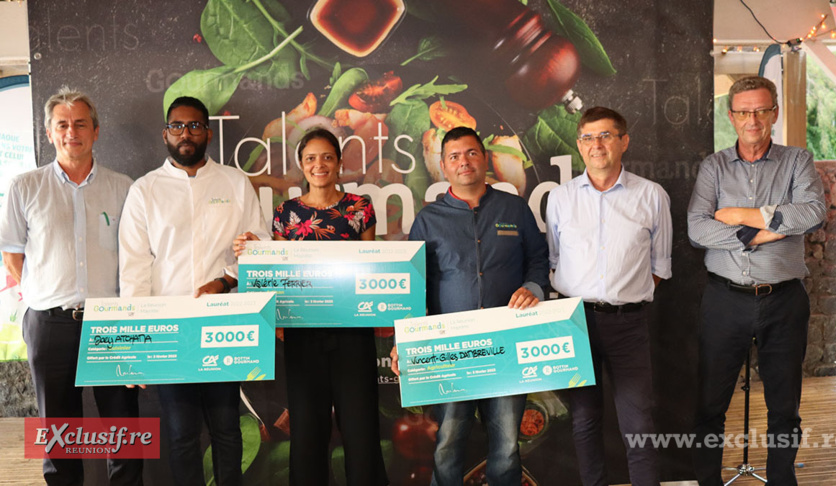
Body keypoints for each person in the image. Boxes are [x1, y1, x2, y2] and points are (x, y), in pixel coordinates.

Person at [118, 96, 269, 486]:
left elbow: (258, 248)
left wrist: (225, 280)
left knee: (226, 429)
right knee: (182, 434)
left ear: (209, 132)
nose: (186, 134)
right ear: (165, 134)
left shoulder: (234, 183)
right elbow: (134, 268)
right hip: (169, 330)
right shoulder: (145, 190)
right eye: (178, 126)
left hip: (223, 325)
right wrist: (138, 342)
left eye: (195, 126)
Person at [390, 126, 549, 485]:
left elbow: (539, 259)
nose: (464, 161)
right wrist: (403, 340)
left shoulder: (514, 208)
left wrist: (534, 286)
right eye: (455, 156)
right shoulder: (429, 221)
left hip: (507, 348)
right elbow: (413, 288)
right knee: (447, 443)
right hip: (450, 351)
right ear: (444, 167)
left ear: (484, 158)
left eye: (472, 153)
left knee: (507, 445)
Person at [687, 76, 826, 486]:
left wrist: (740, 216)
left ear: (774, 114)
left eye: (761, 110)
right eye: (744, 111)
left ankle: (782, 480)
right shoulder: (713, 167)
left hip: (784, 300)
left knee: (784, 405)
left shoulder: (797, 160)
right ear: (731, 116)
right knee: (711, 403)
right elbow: (697, 229)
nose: (753, 119)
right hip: (723, 300)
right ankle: (708, 481)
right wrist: (766, 230)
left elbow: (812, 212)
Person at [0, 87, 142, 485]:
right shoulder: (25, 187)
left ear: (96, 131)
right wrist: (41, 292)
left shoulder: (124, 187)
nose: (71, 132)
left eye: (80, 123)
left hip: (111, 323)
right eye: (62, 124)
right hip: (50, 322)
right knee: (58, 432)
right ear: (49, 133)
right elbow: (12, 254)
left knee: (123, 428)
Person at [233, 128, 388, 486]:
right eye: (311, 159)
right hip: (303, 336)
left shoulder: (359, 207)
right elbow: (279, 269)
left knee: (361, 428)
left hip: (353, 333)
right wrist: (256, 249)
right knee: (307, 431)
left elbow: (373, 264)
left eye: (327, 157)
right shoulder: (286, 213)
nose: (319, 165)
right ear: (301, 166)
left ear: (338, 163)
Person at [545, 106, 671, 486]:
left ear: (623, 141)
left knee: (639, 424)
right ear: (579, 145)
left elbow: (659, 266)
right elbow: (553, 259)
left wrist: (622, 295)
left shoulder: (651, 196)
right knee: (584, 421)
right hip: (575, 322)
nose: (596, 145)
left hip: (628, 324)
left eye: (605, 136)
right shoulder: (560, 198)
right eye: (587, 137)